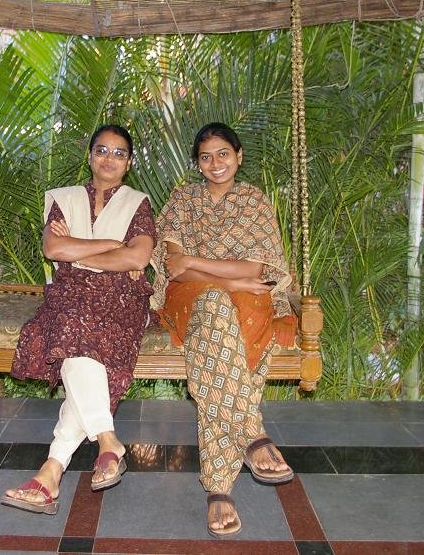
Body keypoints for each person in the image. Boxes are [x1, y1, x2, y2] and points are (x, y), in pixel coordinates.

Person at [152, 122, 297, 537]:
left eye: (223, 154)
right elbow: (174, 268)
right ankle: (251, 434)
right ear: (197, 163)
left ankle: (219, 488)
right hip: (189, 297)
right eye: (205, 157)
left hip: (246, 300)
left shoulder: (254, 201)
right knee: (215, 303)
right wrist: (228, 281)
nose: (215, 163)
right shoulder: (182, 200)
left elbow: (255, 270)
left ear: (239, 156)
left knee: (220, 343)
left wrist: (198, 263)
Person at [2, 124, 155, 515]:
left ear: (129, 163)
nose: (109, 159)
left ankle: (53, 471)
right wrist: (111, 246)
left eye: (119, 153)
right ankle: (103, 443)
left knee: (75, 333)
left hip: (122, 300)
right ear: (89, 156)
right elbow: (54, 248)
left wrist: (80, 253)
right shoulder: (63, 198)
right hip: (71, 295)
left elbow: (138, 257)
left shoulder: (138, 203)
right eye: (101, 150)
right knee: (77, 333)